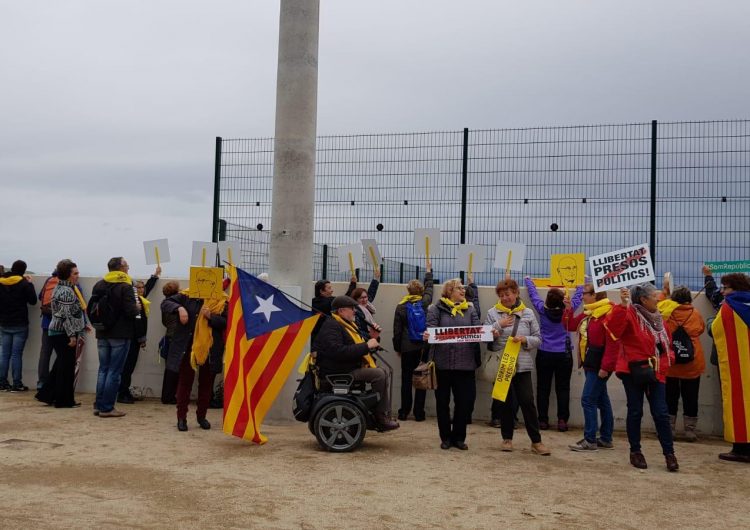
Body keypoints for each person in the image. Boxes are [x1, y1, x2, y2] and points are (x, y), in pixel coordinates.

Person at [602, 283, 678, 472]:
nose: (658, 298)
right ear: (643, 299)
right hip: (633, 371)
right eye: (654, 295)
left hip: (656, 371)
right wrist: (623, 304)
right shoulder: (630, 313)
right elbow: (614, 329)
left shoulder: (659, 319)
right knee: (635, 411)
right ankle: (635, 451)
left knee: (661, 412)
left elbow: (666, 345)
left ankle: (669, 453)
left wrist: (668, 360)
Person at [313, 295, 399, 431]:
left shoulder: (346, 324)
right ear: (341, 311)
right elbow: (338, 352)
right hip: (338, 371)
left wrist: (373, 337)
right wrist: (366, 346)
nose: (355, 311)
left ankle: (376, 409)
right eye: (352, 308)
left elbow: (363, 344)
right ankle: (381, 416)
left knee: (382, 372)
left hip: (347, 367)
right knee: (380, 374)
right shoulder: (332, 326)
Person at [486, 278, 549, 455]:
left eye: (508, 294)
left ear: (516, 293)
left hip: (522, 365)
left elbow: (538, 337)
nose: (505, 298)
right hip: (503, 364)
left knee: (527, 402)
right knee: (506, 403)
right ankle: (507, 439)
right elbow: (485, 335)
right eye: (501, 295)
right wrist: (498, 327)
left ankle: (536, 442)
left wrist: (525, 340)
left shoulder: (528, 313)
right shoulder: (493, 313)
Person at [425, 278, 490, 450]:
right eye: (459, 288)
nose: (463, 291)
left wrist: (493, 330)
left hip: (466, 365)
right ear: (449, 291)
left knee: (464, 403)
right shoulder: (435, 309)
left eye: (463, 288)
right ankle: (445, 438)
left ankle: (459, 438)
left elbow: (477, 330)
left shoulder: (470, 309)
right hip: (442, 365)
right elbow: (431, 329)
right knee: (442, 403)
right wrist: (428, 335)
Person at [162, 286, 228, 431]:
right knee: (185, 382)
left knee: (206, 383)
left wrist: (211, 316)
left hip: (210, 348)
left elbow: (226, 323)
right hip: (187, 346)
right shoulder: (187, 295)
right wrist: (180, 309)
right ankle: (181, 418)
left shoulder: (223, 300)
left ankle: (201, 416)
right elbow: (166, 303)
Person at [523, 277, 583, 432]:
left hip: (544, 353)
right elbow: (578, 296)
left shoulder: (542, 310)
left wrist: (528, 281)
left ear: (548, 301)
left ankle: (542, 420)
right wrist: (582, 283)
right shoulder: (568, 311)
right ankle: (562, 420)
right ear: (563, 301)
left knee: (543, 388)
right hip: (564, 354)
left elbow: (533, 295)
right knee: (563, 388)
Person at [565, 285, 616, 451]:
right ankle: (606, 437)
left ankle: (590, 439)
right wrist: (568, 309)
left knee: (588, 399)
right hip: (591, 362)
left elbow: (613, 343)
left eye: (585, 294)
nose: (582, 297)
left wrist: (606, 367)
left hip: (599, 364)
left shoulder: (607, 313)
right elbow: (571, 325)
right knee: (601, 399)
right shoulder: (590, 313)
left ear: (595, 295)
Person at [91, 257, 140, 418]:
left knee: (103, 369)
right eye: (126, 265)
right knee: (115, 371)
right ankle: (107, 408)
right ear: (120, 268)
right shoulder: (126, 286)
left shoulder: (99, 284)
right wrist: (138, 307)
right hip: (120, 333)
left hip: (102, 331)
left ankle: (99, 405)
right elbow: (130, 311)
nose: (128, 268)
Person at [35, 260, 87, 407]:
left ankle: (47, 395)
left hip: (59, 331)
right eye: (75, 273)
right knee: (66, 367)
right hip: (63, 332)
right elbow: (66, 315)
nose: (78, 276)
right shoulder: (67, 291)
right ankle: (64, 400)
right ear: (68, 275)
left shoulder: (63, 288)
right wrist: (72, 335)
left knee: (61, 365)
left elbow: (70, 313)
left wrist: (82, 326)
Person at [710, 272, 750, 463]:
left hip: (737, 367)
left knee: (737, 405)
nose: (723, 292)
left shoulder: (729, 307)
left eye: (726, 288)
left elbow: (714, 329)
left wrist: (711, 320)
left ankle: (741, 449)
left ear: (735, 288)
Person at [658, 285, 705, 442]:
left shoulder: (667, 314)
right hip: (692, 362)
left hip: (672, 362)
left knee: (670, 397)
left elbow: (657, 312)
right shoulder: (695, 313)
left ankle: (669, 428)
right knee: (691, 397)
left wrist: (663, 294)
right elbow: (700, 330)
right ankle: (690, 430)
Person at [392, 259, 434, 421]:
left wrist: (398, 348)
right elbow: (430, 290)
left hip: (407, 348)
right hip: (423, 347)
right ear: (421, 291)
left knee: (406, 379)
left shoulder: (401, 306)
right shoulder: (425, 302)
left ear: (408, 290)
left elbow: (397, 330)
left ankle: (403, 411)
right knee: (421, 378)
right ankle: (419, 413)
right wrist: (428, 272)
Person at [118, 266, 161, 404]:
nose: (141, 290)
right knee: (127, 367)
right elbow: (137, 323)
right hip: (132, 339)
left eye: (142, 288)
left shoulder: (141, 300)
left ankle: (123, 392)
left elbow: (148, 287)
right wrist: (142, 339)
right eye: (138, 288)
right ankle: (122, 393)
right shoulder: (134, 302)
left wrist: (155, 275)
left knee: (129, 367)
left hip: (134, 340)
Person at [0, 260, 38, 392]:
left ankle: (2, 382)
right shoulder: (23, 284)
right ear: (23, 271)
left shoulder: (1, 281)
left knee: (4, 354)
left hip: (4, 322)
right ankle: (17, 384)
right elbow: (33, 301)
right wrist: (29, 283)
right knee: (16, 354)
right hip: (20, 323)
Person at [311, 276, 357, 342]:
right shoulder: (330, 301)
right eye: (329, 288)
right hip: (328, 338)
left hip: (314, 340)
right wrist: (353, 284)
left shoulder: (311, 302)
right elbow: (345, 300)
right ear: (321, 291)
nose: (332, 290)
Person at [159, 280, 181, 404]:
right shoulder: (177, 304)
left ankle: (167, 395)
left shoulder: (165, 304)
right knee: (175, 369)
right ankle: (169, 396)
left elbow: (164, 322)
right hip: (176, 338)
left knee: (169, 368)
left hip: (169, 337)